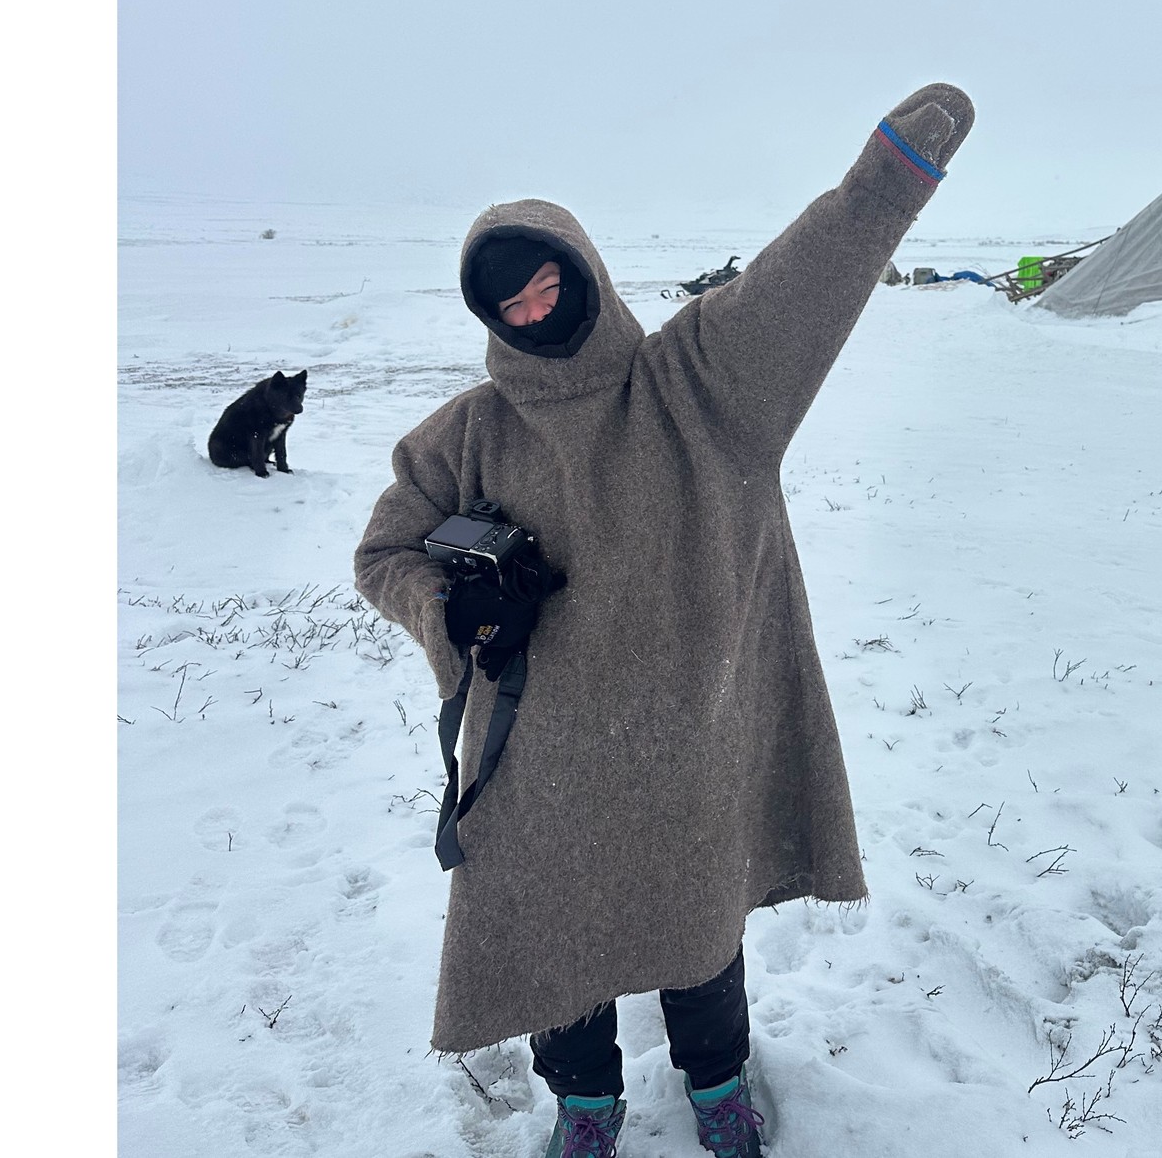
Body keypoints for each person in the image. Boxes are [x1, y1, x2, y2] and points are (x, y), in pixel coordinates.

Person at [353, 84, 974, 1158]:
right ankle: (586, 1106)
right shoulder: (466, 435)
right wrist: (451, 603)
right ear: (489, 318)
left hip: (686, 741)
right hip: (535, 755)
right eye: (513, 304)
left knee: (697, 937)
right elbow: (383, 554)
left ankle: (719, 1086)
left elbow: (800, 285)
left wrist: (885, 185)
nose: (536, 312)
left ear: (588, 275)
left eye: (551, 285)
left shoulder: (701, 387)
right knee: (554, 945)